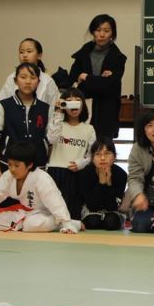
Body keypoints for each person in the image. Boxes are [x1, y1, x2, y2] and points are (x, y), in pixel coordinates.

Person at [0, 141, 80, 233]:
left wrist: (66, 223)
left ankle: (65, 223)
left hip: (44, 214)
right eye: (10, 165)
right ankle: (22, 225)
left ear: (29, 165)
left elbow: (56, 202)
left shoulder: (41, 178)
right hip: (24, 213)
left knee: (31, 225)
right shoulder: (8, 176)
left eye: (16, 165)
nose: (12, 169)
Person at [0, 62, 53, 187]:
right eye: (23, 77)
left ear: (38, 82)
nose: (28, 81)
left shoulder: (46, 108)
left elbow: (51, 140)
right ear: (15, 80)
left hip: (37, 168)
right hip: (8, 167)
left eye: (33, 78)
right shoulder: (3, 105)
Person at [68, 14, 127, 139]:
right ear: (92, 32)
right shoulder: (83, 53)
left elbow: (109, 86)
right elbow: (73, 80)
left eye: (106, 31)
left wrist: (86, 77)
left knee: (103, 147)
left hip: (106, 111)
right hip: (83, 109)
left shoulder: (118, 58)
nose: (102, 34)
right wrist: (100, 80)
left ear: (112, 33)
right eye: (98, 30)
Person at [46, 88, 96, 219]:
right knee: (53, 213)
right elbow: (51, 139)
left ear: (83, 105)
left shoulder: (89, 129)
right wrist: (58, 112)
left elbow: (93, 154)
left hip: (76, 173)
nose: (74, 104)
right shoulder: (57, 123)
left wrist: (81, 163)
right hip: (55, 171)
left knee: (73, 212)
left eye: (78, 101)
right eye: (69, 101)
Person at [0, 38, 60, 108]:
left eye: (29, 51)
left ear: (39, 55)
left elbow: (55, 107)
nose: (25, 55)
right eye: (21, 52)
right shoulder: (11, 78)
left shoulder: (47, 80)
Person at [78, 138, 127, 231]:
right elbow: (92, 206)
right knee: (93, 221)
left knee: (111, 222)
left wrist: (108, 183)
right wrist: (101, 183)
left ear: (114, 157)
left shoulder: (121, 174)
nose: (103, 158)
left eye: (107, 153)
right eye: (98, 154)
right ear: (92, 158)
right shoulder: (85, 173)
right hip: (91, 210)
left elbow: (113, 206)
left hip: (112, 211)